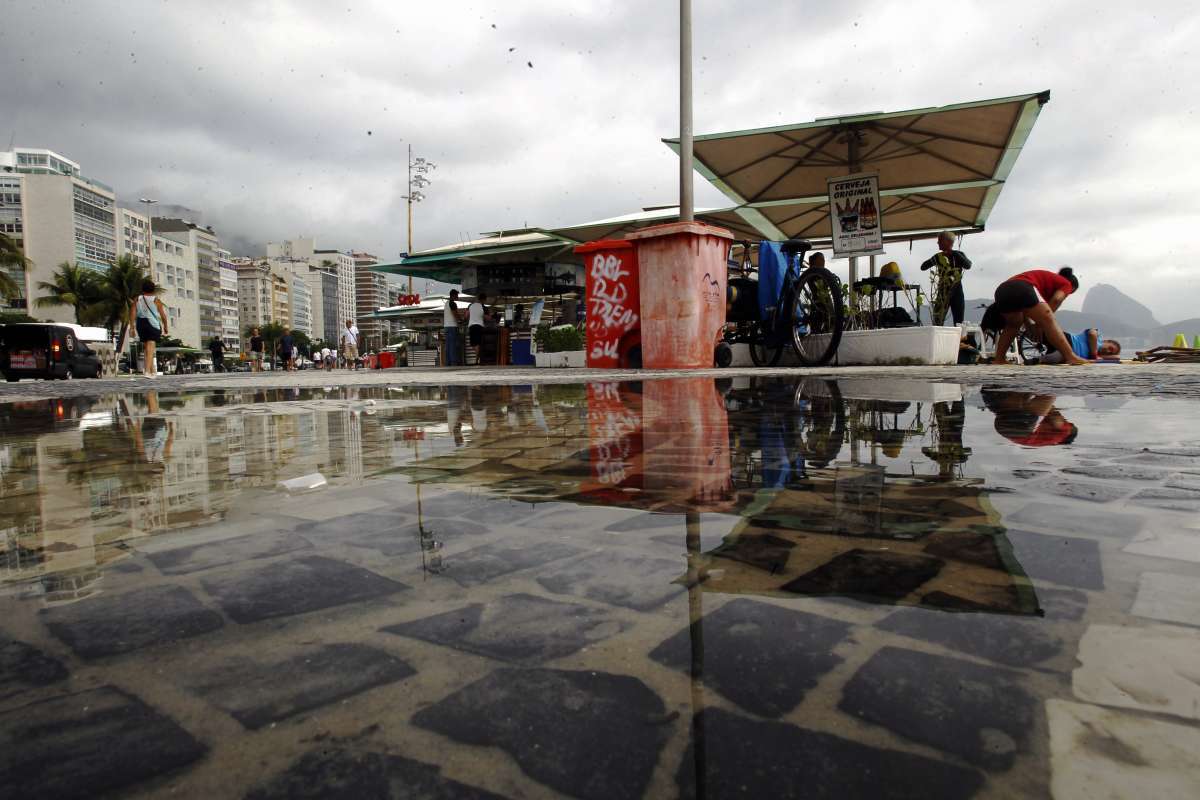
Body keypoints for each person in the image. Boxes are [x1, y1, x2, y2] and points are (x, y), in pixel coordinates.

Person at [981, 267, 1090, 366]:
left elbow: (1025, 309)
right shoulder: (1066, 283)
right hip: (1022, 287)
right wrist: (1040, 323)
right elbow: (1057, 299)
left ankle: (999, 359)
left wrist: (1029, 324)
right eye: (1070, 293)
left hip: (1002, 291)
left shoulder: (1046, 281)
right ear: (1072, 286)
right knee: (1049, 320)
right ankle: (1070, 356)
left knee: (1013, 325)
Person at [920, 231, 972, 326]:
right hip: (943, 292)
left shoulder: (958, 254)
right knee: (937, 321)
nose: (938, 243)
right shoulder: (938, 256)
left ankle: (959, 340)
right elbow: (923, 267)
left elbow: (968, 265)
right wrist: (936, 259)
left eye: (939, 240)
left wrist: (953, 253)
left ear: (947, 242)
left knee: (959, 322)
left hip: (956, 291)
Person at [130, 279, 169, 378]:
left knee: (147, 348)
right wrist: (165, 326)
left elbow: (133, 312)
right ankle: (147, 371)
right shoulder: (155, 300)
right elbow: (163, 315)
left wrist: (132, 327)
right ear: (153, 290)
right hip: (152, 324)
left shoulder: (137, 299)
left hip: (141, 324)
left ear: (143, 289)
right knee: (151, 347)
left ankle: (152, 372)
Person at [1040, 328, 1122, 364]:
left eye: (1109, 353)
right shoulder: (1098, 337)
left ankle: (1037, 359)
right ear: (1107, 341)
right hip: (1067, 340)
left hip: (1066, 354)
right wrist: (1094, 353)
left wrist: (1099, 356)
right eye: (1110, 348)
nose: (1107, 351)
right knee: (1037, 335)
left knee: (1055, 358)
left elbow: (1117, 358)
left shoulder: (1098, 356)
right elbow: (1091, 334)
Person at [443, 289, 464, 366]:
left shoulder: (446, 303)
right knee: (453, 345)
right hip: (452, 326)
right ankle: (453, 362)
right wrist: (461, 320)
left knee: (448, 346)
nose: (457, 297)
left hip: (446, 327)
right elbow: (455, 314)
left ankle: (448, 362)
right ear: (453, 295)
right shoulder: (452, 303)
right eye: (457, 295)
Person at [467, 293, 488, 365]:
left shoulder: (470, 305)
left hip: (471, 326)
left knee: (473, 344)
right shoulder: (483, 307)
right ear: (484, 300)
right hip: (479, 326)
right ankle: (478, 359)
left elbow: (466, 315)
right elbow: (487, 317)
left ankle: (477, 360)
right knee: (478, 343)